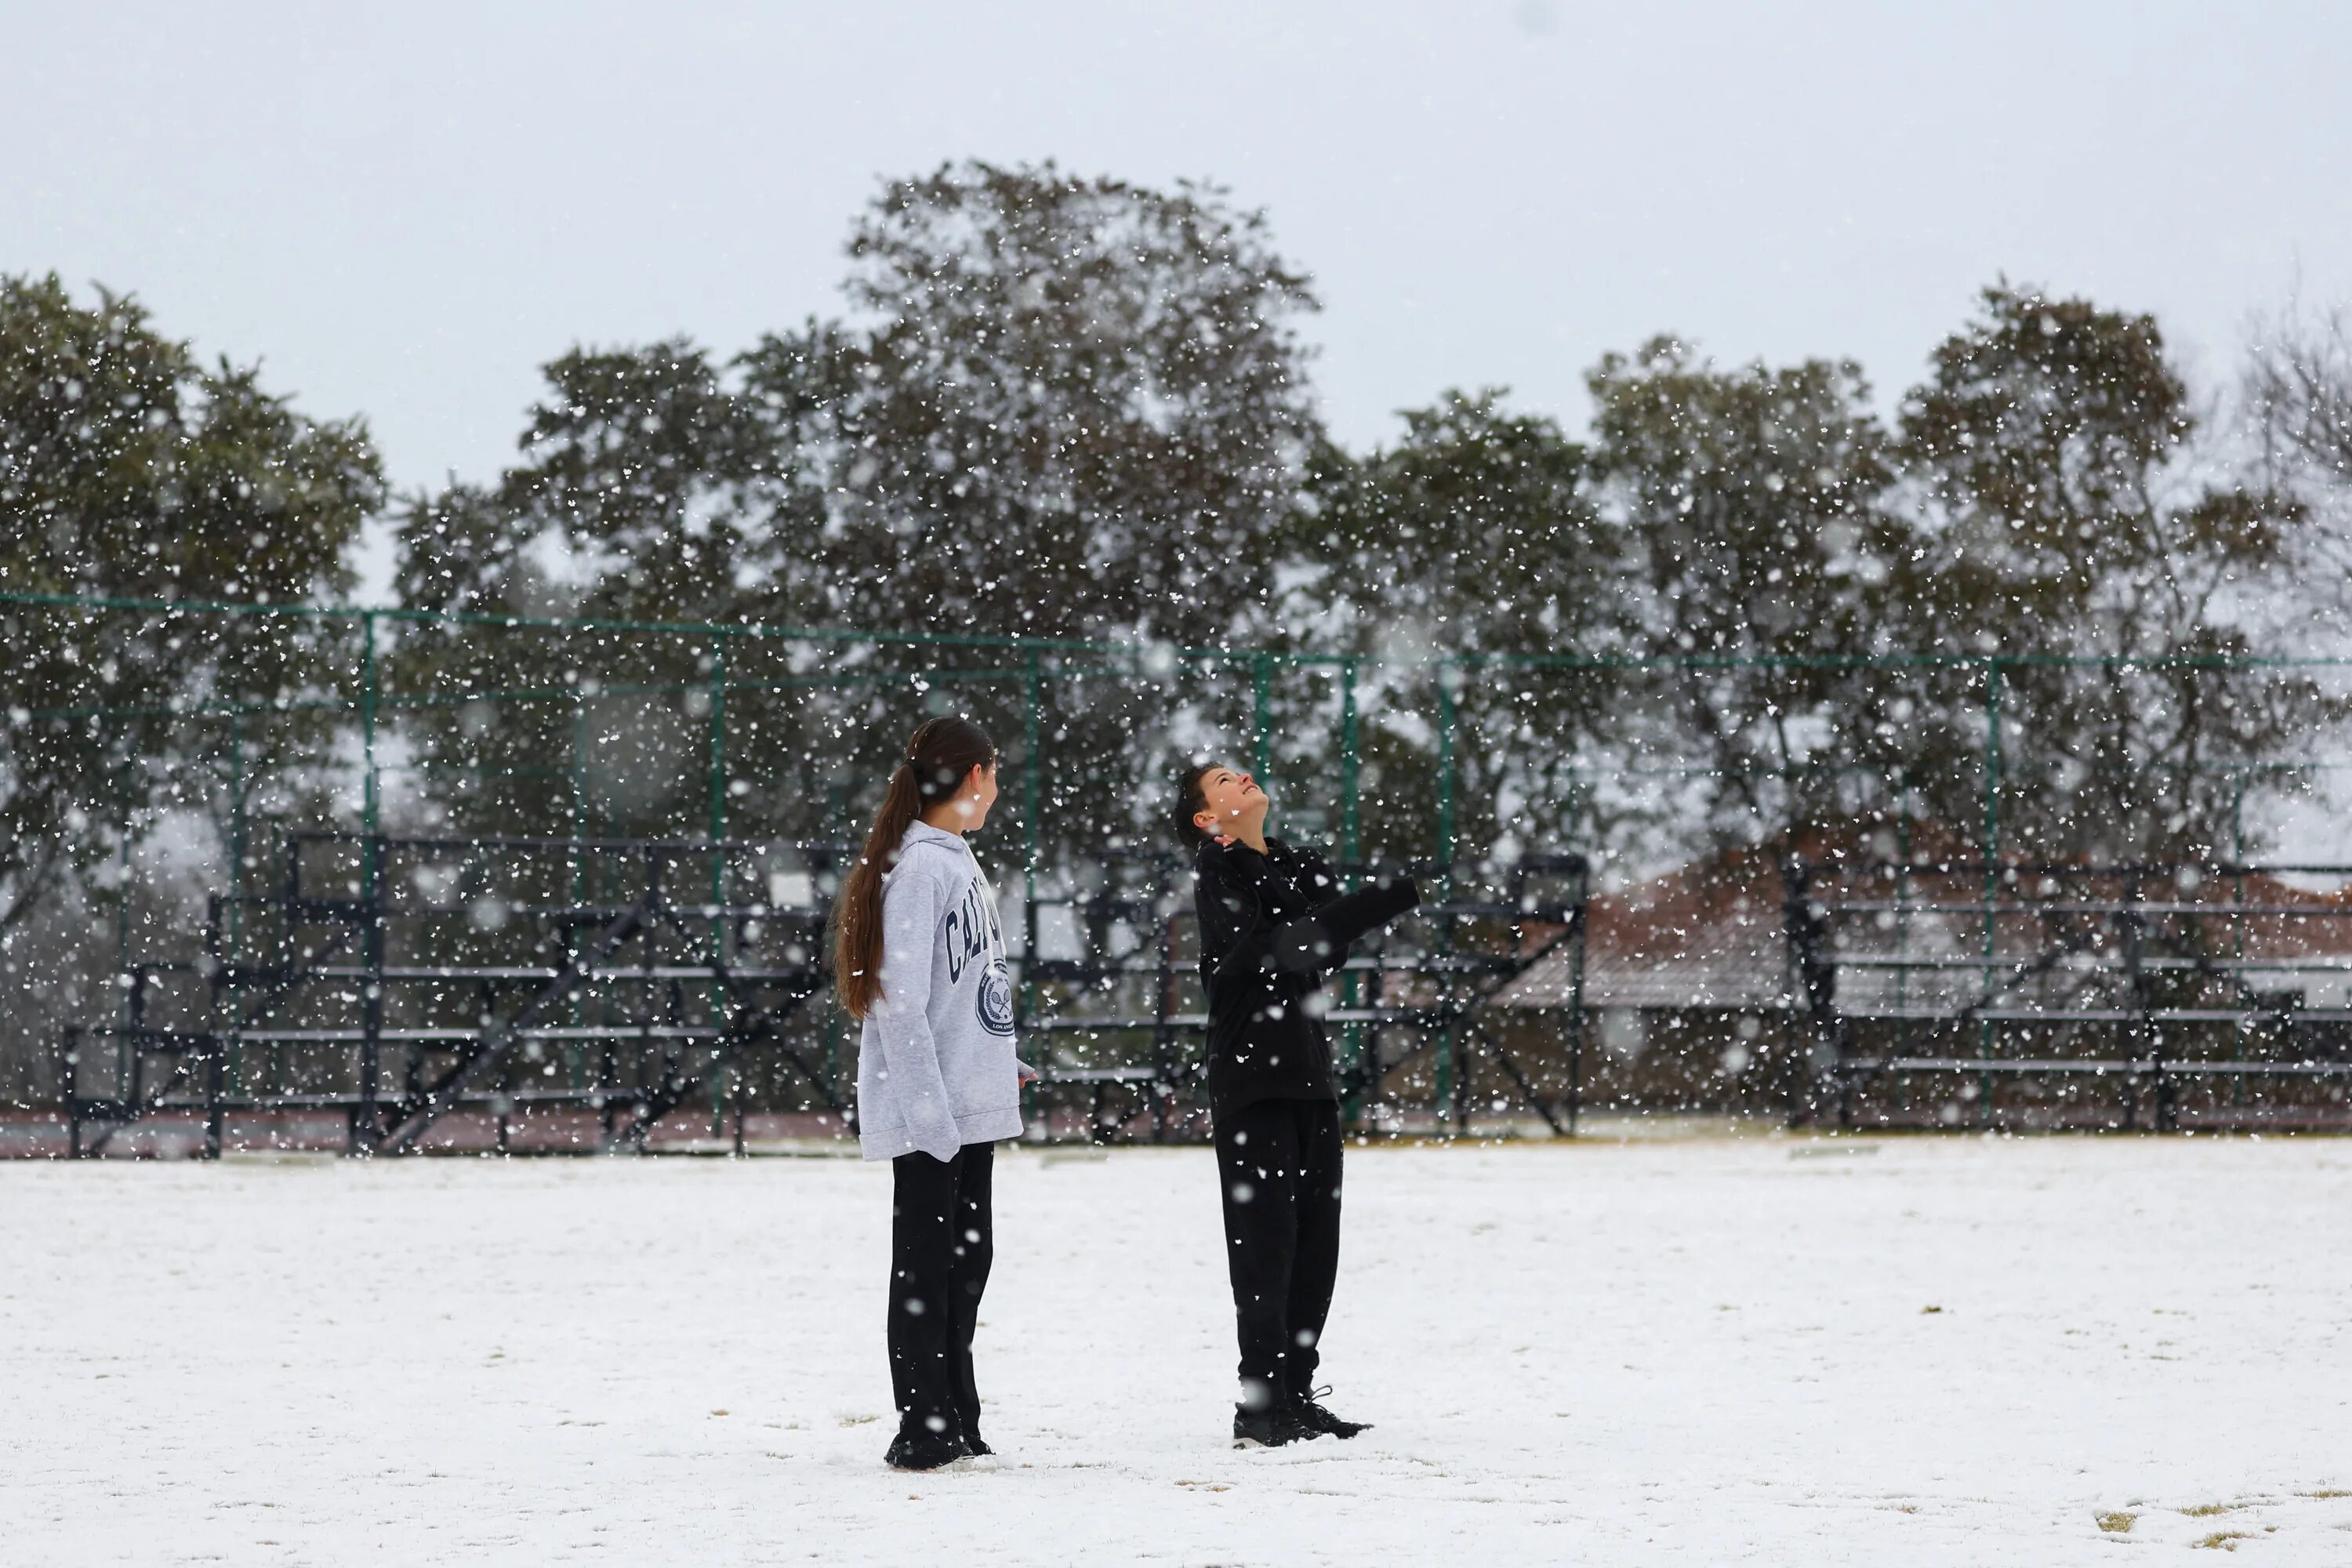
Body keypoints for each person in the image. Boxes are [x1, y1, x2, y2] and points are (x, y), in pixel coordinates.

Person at [1177, 761, 1420, 1448]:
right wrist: (1380, 901)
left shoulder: (1292, 864)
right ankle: (1260, 1407)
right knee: (1266, 1248)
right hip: (1252, 1084)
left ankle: (1296, 1393)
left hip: (1311, 1078)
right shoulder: (1216, 873)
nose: (1243, 778)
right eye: (1223, 780)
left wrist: (1348, 910)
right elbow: (1282, 949)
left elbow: (1323, 947)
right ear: (1206, 817)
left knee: (1316, 1245)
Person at [836, 716, 1033, 1472]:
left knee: (965, 1266)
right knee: (927, 1268)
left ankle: (956, 1414)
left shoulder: (954, 860)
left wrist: (995, 1062)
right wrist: (931, 1117)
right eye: (995, 772)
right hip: (932, 1118)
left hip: (963, 1106)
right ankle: (923, 1424)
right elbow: (896, 1000)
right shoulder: (920, 868)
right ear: (975, 775)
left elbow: (961, 992)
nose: (997, 787)